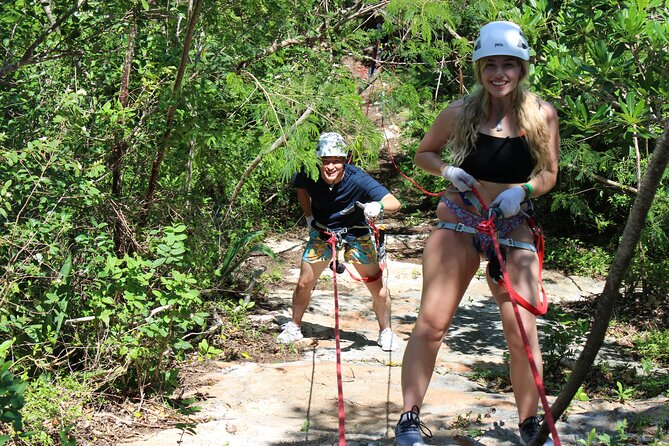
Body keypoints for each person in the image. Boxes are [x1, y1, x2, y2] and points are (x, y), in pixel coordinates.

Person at [394, 21, 559, 446]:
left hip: (512, 220)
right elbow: (424, 153)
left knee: (521, 330)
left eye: (508, 64)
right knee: (432, 321)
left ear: (522, 69)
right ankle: (409, 419)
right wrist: (448, 169)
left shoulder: (541, 115)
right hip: (460, 216)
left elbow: (549, 173)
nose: (499, 73)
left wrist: (522, 191)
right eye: (490, 65)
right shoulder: (458, 112)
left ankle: (528, 424)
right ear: (479, 68)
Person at [277, 132, 403, 351]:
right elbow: (301, 188)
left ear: (345, 161)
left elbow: (394, 202)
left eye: (336, 161)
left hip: (357, 233)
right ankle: (294, 326)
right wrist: (308, 216)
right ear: (318, 162)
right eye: (325, 161)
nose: (331, 167)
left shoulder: (358, 178)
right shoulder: (308, 173)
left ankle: (386, 331)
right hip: (323, 232)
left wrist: (379, 206)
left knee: (378, 287)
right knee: (304, 282)